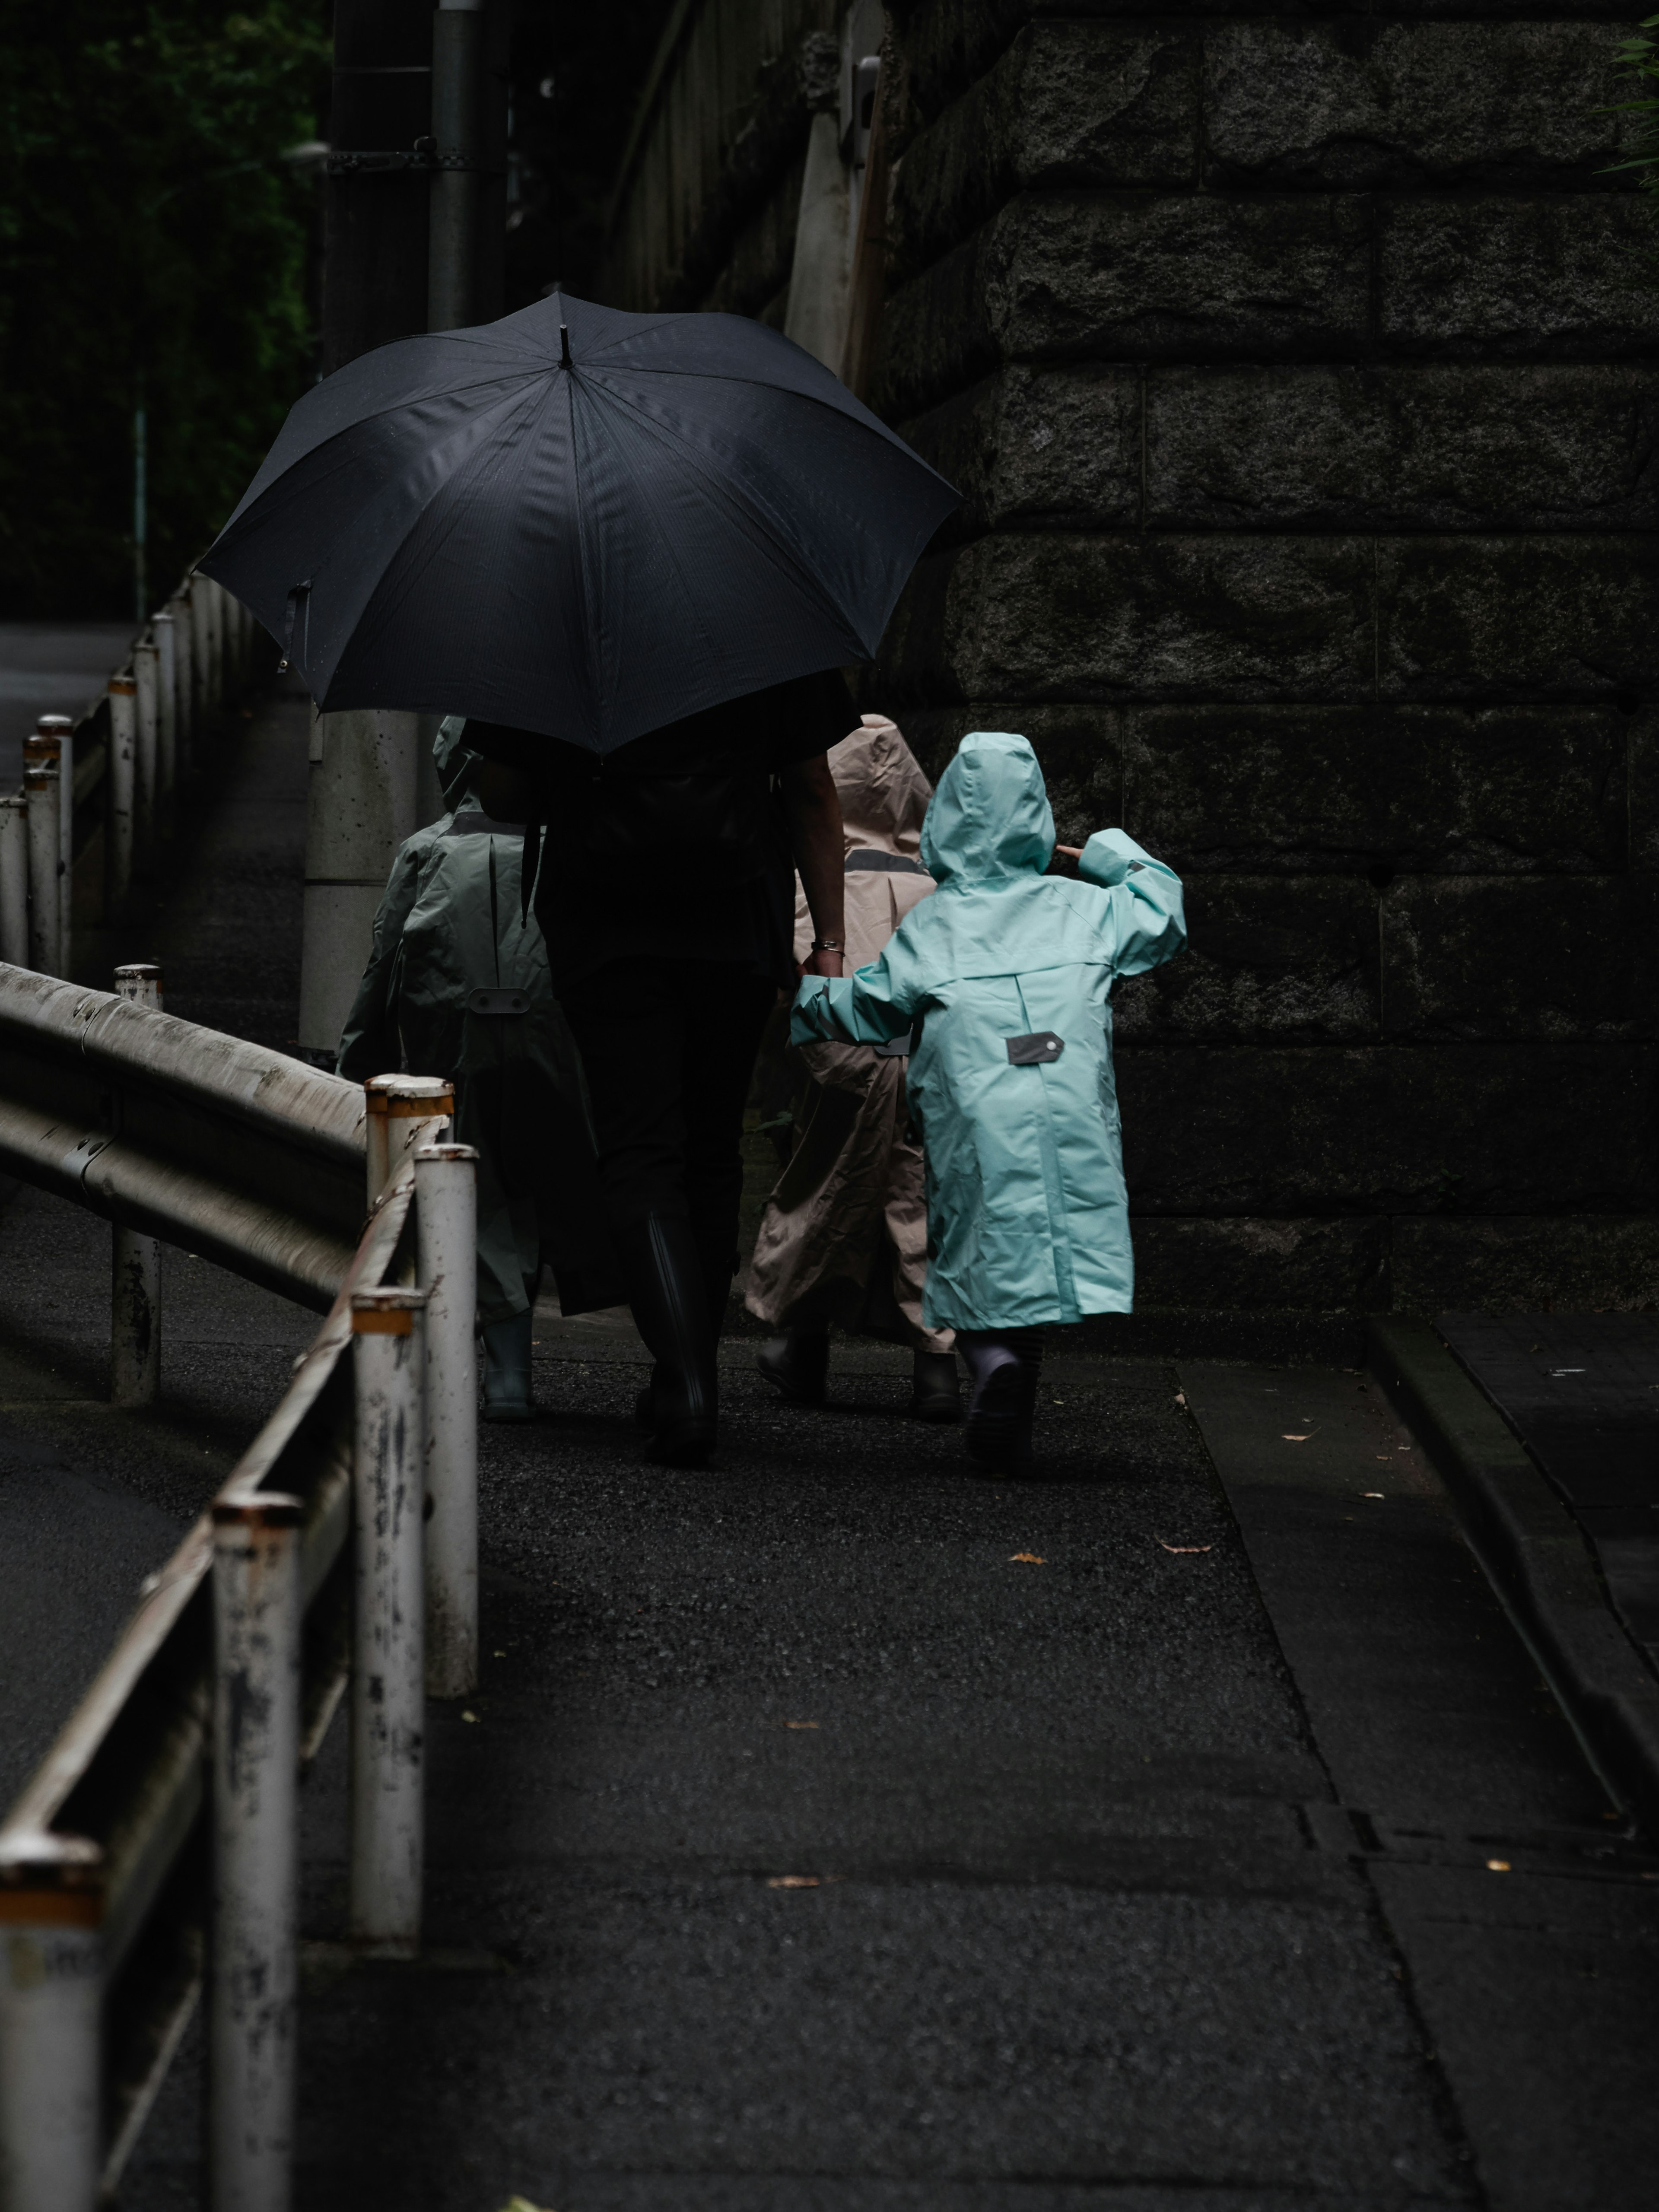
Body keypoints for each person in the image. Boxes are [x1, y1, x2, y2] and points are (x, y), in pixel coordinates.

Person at [464, 670, 852, 1465]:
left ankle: (687, 1384)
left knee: (642, 1151)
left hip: (609, 925)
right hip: (736, 920)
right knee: (711, 1152)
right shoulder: (763, 616)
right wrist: (828, 944)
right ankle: (686, 1375)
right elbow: (813, 789)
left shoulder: (556, 620)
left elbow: (504, 794)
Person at [791, 730, 1186, 1470]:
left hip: (976, 1110)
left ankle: (992, 1361)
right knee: (1038, 1260)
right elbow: (1165, 912)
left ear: (945, 821)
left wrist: (812, 994)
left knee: (967, 1260)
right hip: (1070, 1104)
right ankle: (1014, 1419)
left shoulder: (937, 924)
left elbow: (872, 1010)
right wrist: (1108, 854)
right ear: (1036, 814)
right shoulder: (1085, 909)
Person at [338, 719, 620, 1421]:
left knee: (477, 1183)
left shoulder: (427, 851)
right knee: (551, 1177)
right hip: (555, 1043)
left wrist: (361, 1054)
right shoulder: (572, 847)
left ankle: (505, 1373)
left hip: (451, 1040)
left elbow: (383, 965)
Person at [745, 712, 960, 1421]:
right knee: (914, 1198)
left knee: (822, 1193)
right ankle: (937, 1368)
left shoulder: (822, 882)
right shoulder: (939, 889)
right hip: (928, 1066)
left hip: (840, 1063)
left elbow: (792, 979)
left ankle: (800, 1349)